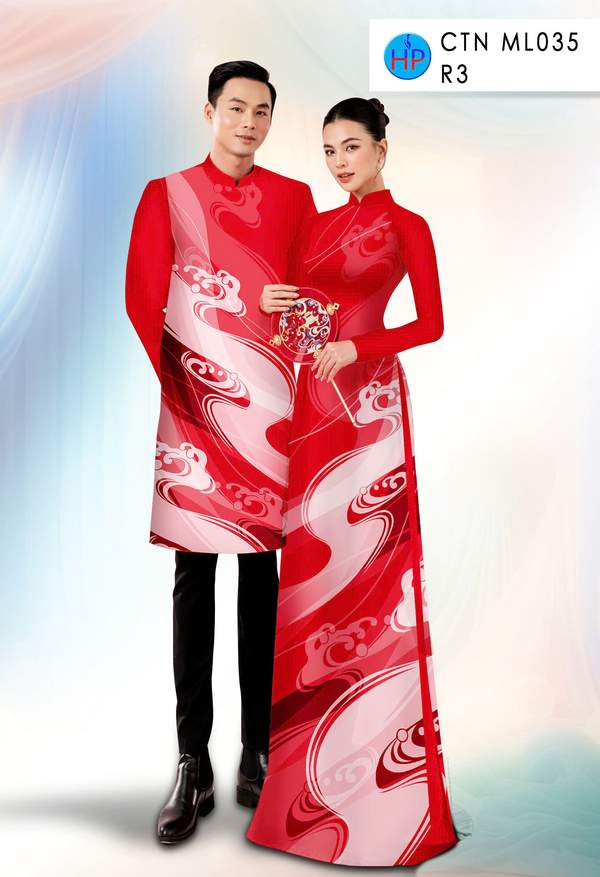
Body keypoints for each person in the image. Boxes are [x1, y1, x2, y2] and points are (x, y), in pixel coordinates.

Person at [246, 97, 460, 866]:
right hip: (313, 407)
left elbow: (430, 323)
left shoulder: (408, 227)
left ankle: (388, 799)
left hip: (369, 411)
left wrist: (359, 348)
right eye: (330, 150)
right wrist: (275, 306)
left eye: (352, 148)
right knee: (312, 577)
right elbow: (301, 322)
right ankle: (306, 796)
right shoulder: (315, 226)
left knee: (372, 573)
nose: (339, 162)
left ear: (381, 148)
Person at [125, 60, 316, 844]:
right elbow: (142, 295)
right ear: (209, 111)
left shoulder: (295, 199)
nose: (248, 122)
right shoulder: (167, 193)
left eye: (261, 111)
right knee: (193, 575)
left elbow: (315, 298)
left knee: (263, 576)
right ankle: (192, 760)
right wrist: (189, 390)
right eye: (236, 107)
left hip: (269, 410)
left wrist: (291, 314)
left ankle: (257, 753)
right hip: (194, 409)